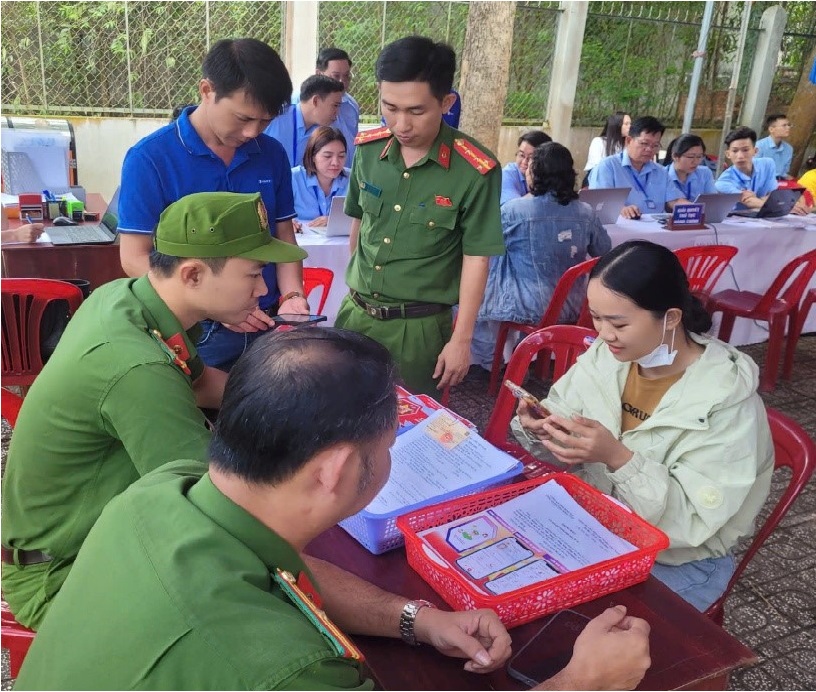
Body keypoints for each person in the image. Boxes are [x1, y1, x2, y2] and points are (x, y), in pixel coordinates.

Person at [15, 328, 652, 691]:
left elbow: (285, 572)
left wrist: (418, 619)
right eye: (389, 444)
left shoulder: (163, 491)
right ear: (338, 470)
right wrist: (580, 683)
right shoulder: (293, 672)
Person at [0, 191, 307, 631]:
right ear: (193, 274)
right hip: (62, 574)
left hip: (85, 537)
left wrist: (296, 404)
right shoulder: (138, 366)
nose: (263, 289)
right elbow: (213, 511)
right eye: (254, 274)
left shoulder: (127, 298)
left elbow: (199, 383)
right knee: (261, 611)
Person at [511, 240, 774, 612]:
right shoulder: (607, 357)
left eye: (619, 323)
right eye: (596, 318)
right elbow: (566, 417)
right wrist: (544, 429)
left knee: (570, 623)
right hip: (599, 527)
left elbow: (692, 523)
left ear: (671, 318)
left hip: (678, 560)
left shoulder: (726, 401)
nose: (604, 334)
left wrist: (618, 458)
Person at [117, 38, 309, 371]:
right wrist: (217, 306)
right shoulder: (151, 159)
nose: (252, 132)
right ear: (207, 90)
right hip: (195, 328)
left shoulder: (271, 154)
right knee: (203, 402)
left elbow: (284, 237)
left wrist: (292, 297)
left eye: (264, 122)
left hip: (266, 322)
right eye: (243, 118)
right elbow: (134, 257)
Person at [335, 36, 506, 396]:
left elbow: (477, 257)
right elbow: (359, 224)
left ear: (446, 102)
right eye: (390, 107)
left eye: (416, 111)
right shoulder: (368, 151)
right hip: (355, 315)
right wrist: (354, 289)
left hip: (417, 330)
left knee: (409, 423)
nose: (401, 124)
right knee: (337, 412)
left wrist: (462, 339)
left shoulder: (474, 170)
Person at [473, 142, 611, 370]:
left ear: (534, 174)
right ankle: (530, 360)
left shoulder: (513, 211)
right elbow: (604, 250)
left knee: (469, 300)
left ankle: (491, 365)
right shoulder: (586, 212)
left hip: (526, 306)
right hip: (574, 304)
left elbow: (482, 246)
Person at [588, 116, 688, 219]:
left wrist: (692, 209)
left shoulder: (660, 171)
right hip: (621, 225)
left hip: (655, 226)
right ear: (628, 141)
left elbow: (675, 199)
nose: (649, 149)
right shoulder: (608, 167)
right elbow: (599, 203)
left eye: (655, 145)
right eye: (644, 143)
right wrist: (621, 209)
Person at [265, 74, 344, 168]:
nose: (337, 113)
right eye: (335, 105)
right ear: (316, 101)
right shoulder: (274, 117)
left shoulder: (325, 132)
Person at [291, 126, 350, 230]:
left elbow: (364, 218)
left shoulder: (353, 179)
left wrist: (333, 221)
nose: (335, 163)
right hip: (302, 238)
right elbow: (274, 213)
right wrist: (287, 223)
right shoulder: (293, 178)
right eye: (327, 156)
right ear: (313, 156)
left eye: (341, 156)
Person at [715, 126, 779, 211]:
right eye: (735, 151)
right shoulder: (723, 182)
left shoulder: (768, 164)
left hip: (766, 215)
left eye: (745, 150)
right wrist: (776, 206)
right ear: (728, 154)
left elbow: (772, 195)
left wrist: (765, 202)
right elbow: (749, 201)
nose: (740, 156)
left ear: (755, 151)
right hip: (738, 217)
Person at [315, 47, 360, 162]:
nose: (342, 82)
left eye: (346, 76)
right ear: (319, 74)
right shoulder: (302, 104)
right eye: (335, 76)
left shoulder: (351, 105)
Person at [500, 130, 552, 206]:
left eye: (531, 157)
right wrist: (537, 192)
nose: (524, 162)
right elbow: (511, 208)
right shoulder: (508, 174)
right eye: (521, 155)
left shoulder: (552, 175)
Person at [662, 134, 717, 201]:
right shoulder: (662, 175)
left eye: (699, 157)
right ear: (675, 156)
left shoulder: (705, 173)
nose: (696, 162)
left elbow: (713, 201)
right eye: (691, 157)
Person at [583, 111, 631, 184]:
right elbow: (597, 166)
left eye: (630, 124)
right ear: (617, 125)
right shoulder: (599, 142)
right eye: (626, 124)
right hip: (597, 180)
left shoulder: (627, 144)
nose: (630, 126)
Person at [756, 113, 794, 179]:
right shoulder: (759, 146)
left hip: (780, 181)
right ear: (771, 129)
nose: (788, 127)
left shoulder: (789, 148)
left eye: (789, 125)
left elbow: (785, 172)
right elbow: (753, 169)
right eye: (784, 125)